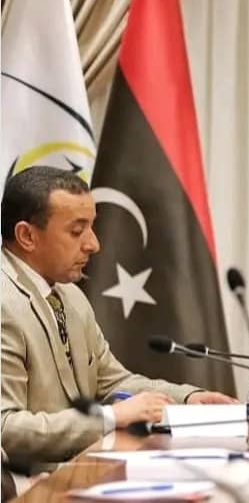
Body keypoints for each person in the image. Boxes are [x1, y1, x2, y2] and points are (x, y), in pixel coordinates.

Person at [1, 167, 236, 471]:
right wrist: (110, 417)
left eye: (92, 227)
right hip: (22, 485)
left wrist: (188, 400)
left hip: (80, 470)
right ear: (27, 236)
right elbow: (5, 427)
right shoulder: (5, 303)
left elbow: (113, 382)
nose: (93, 244)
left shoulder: (69, 295)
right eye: (77, 231)